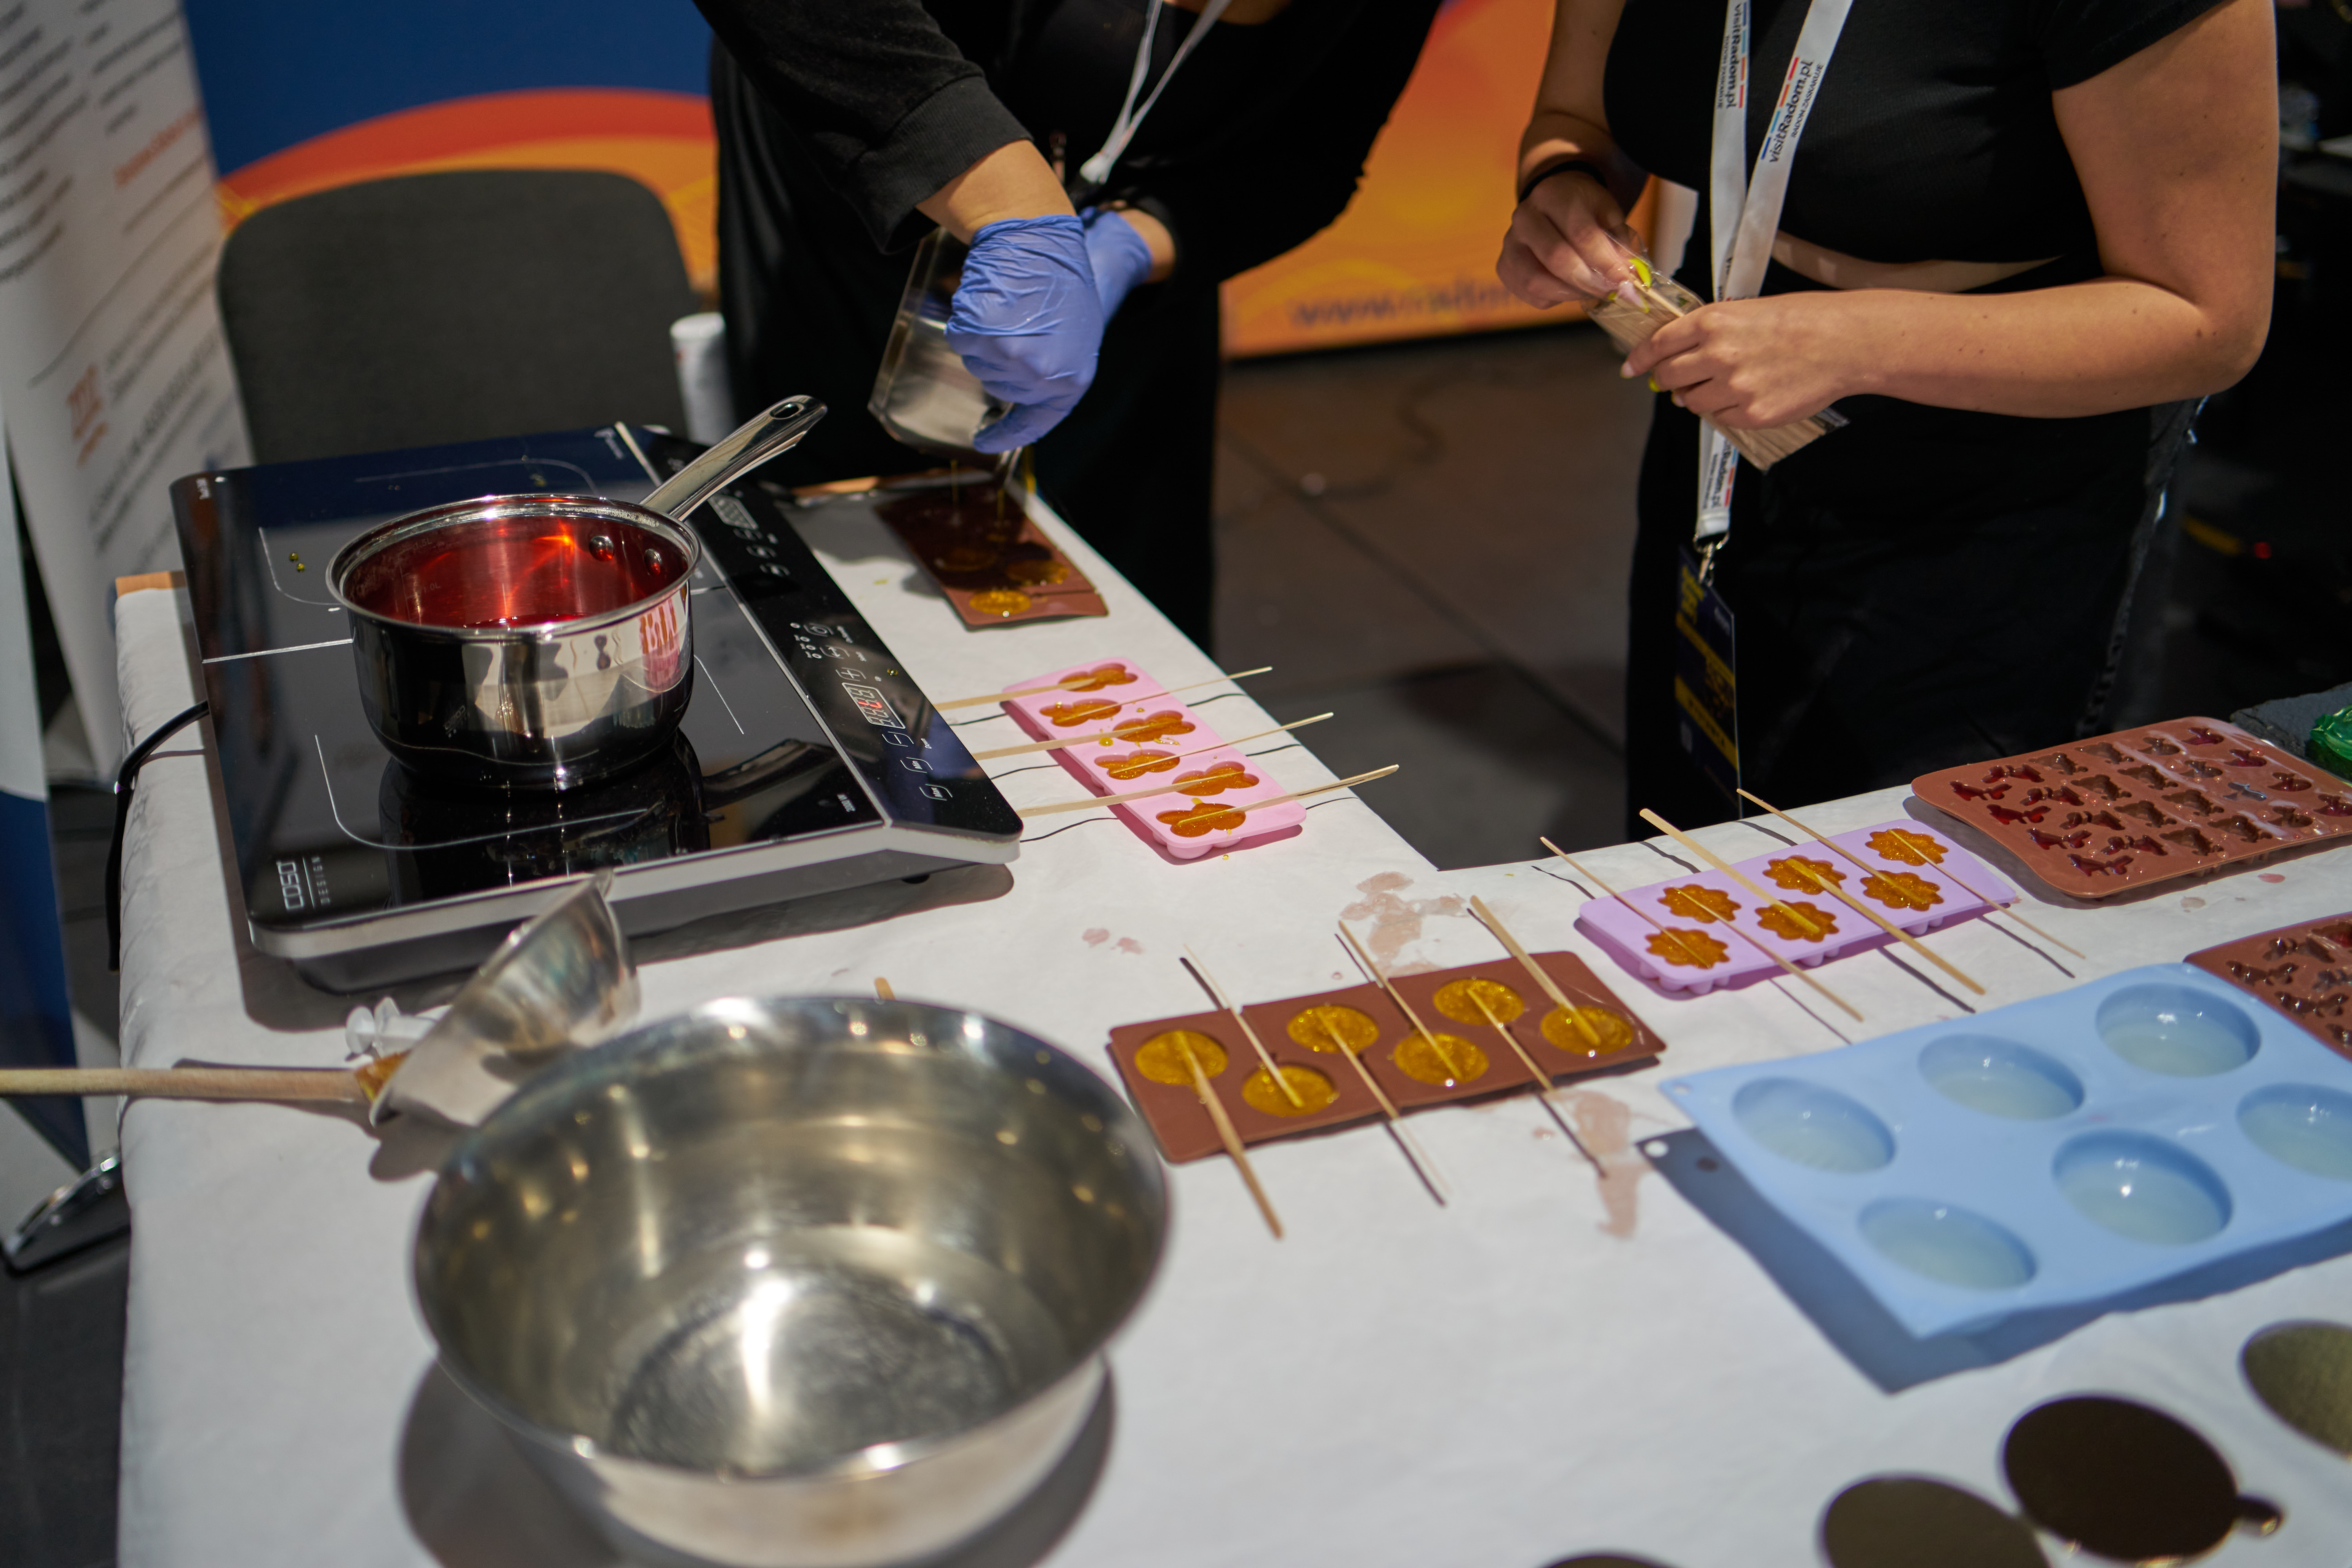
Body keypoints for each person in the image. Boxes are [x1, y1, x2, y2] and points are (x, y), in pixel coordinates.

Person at [1495, 0, 2276, 833]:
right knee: (1693, 818)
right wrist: (1563, 188)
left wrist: (1859, 345)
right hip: (1724, 394)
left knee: (1915, 868)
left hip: (1995, 469)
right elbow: (1580, 119)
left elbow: (2209, 322)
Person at [694, 0, 1445, 648]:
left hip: (1132, 270)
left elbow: (1313, 159)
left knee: (1120, 590)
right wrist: (1009, 208)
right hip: (868, 154)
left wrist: (1135, 245)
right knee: (849, 574)